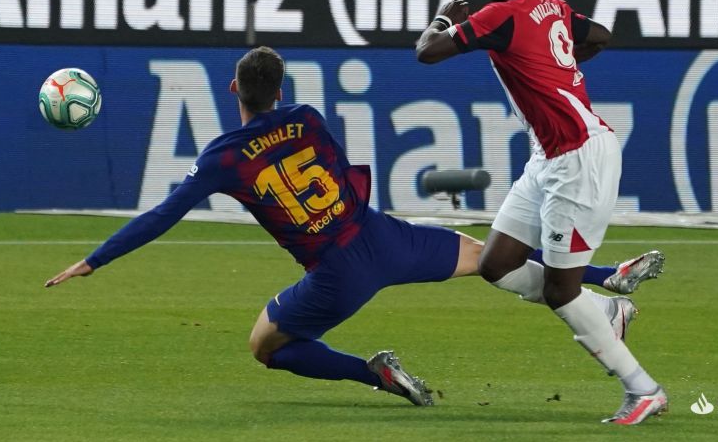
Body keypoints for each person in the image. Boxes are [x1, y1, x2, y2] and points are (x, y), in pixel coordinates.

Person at [45, 46, 662, 407]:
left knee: (266, 347)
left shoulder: (223, 159)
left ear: (234, 88)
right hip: (382, 237)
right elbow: (340, 171)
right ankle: (605, 282)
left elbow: (162, 216)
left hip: (337, 272)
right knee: (488, 258)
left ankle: (373, 372)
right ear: (281, 88)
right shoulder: (308, 118)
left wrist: (94, 259)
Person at [414, 0, 668, 424]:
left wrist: (443, 19)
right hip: (549, 157)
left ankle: (643, 389)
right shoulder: (553, 9)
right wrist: (560, 67)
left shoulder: (500, 16)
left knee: (559, 290)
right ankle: (607, 311)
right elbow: (601, 35)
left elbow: (426, 52)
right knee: (495, 264)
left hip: (578, 157)